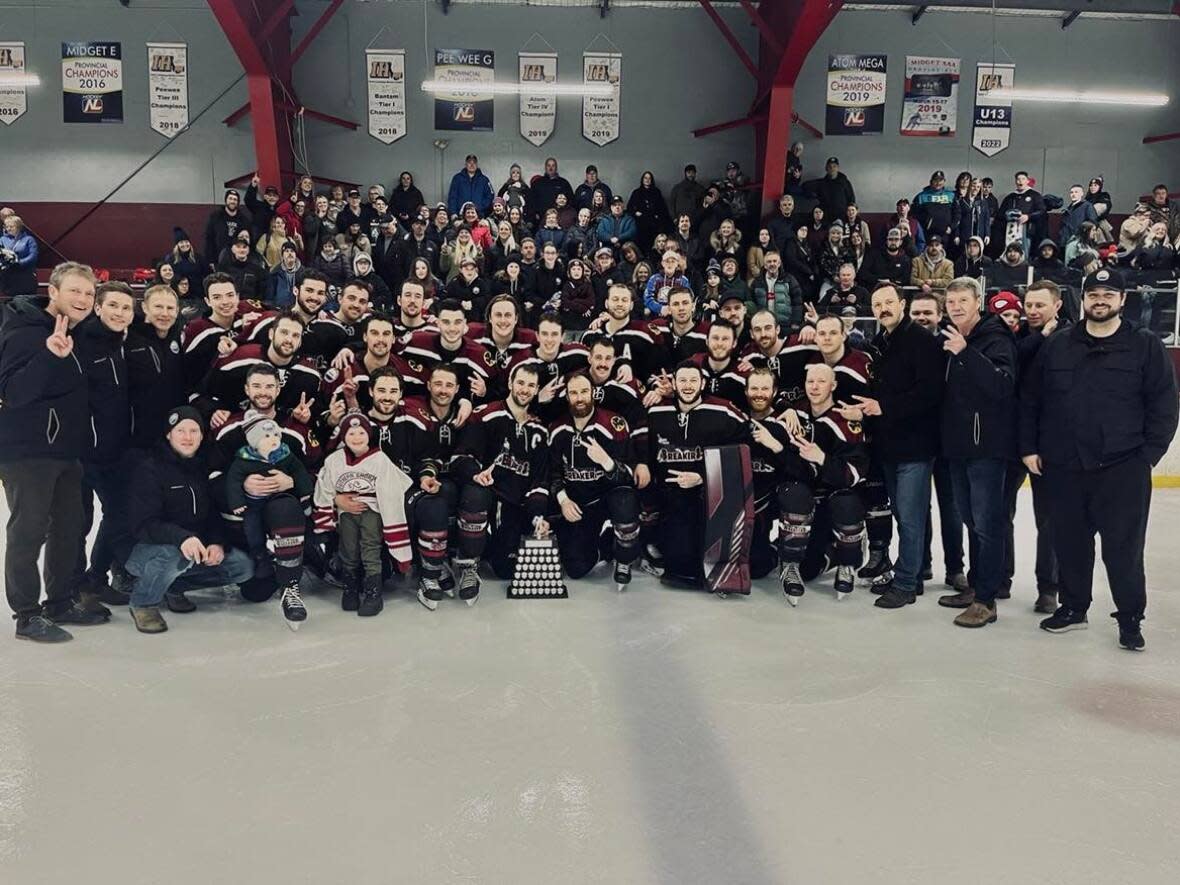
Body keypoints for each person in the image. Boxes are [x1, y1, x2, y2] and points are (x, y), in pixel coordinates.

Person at [1021, 267, 1178, 650]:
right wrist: (1029, 447)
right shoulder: (1058, 345)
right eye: (1094, 294)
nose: (1101, 300)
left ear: (1123, 300)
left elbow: (1164, 405)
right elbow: (1031, 401)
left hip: (1123, 468)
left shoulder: (1145, 346)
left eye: (1110, 294)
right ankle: (1074, 607)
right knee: (1070, 543)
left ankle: (1129, 619)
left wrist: (1148, 457)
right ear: (1084, 299)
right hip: (1064, 465)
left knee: (1123, 549)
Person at [0, 261, 112, 641]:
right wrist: (49, 355)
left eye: (88, 293)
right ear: (54, 292)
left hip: (66, 451)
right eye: (75, 291)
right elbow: (13, 393)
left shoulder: (77, 333)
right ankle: (26, 615)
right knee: (28, 532)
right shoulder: (23, 331)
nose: (83, 299)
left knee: (68, 528)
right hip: (28, 452)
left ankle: (59, 601)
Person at [840, 284, 944, 610]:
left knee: (910, 517)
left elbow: (930, 393)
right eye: (877, 303)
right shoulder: (880, 343)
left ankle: (905, 584)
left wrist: (883, 407)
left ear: (902, 304)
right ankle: (911, 572)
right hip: (889, 445)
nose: (883, 308)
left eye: (889, 302)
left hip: (915, 445)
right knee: (903, 513)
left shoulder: (922, 341)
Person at [123, 406, 255, 634]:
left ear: (202, 436)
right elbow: (144, 524)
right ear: (168, 434)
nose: (187, 437)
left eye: (194, 431)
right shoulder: (149, 468)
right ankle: (143, 603)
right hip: (145, 551)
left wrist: (216, 542)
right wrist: (182, 538)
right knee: (174, 554)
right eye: (180, 430)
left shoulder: (202, 466)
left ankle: (172, 587)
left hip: (190, 549)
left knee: (242, 566)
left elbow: (212, 514)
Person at [936, 277, 1018, 629]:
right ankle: (976, 585)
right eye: (951, 302)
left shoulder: (995, 337)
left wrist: (966, 353)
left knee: (988, 524)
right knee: (971, 519)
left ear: (977, 302)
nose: (955, 307)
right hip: (958, 447)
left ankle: (987, 600)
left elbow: (1002, 385)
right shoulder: (953, 337)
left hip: (987, 448)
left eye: (962, 301)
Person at [763, 363, 869, 604]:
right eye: (810, 381)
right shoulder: (794, 414)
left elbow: (854, 473)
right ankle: (789, 563)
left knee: (848, 503)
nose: (815, 386)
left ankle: (847, 559)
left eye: (821, 381)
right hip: (803, 497)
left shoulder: (846, 420)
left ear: (833, 385)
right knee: (794, 494)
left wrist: (821, 458)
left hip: (832, 498)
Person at [450, 362, 551, 598]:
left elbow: (539, 479)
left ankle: (492, 545)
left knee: (504, 569)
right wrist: (475, 472)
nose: (525, 389)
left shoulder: (539, 430)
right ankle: (468, 565)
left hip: (514, 504)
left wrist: (538, 516)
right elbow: (460, 456)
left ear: (537, 390)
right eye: (521, 383)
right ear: (510, 384)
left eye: (531, 385)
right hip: (487, 494)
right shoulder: (486, 415)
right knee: (475, 494)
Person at [645, 360, 748, 586]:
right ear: (673, 384)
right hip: (667, 495)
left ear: (703, 384)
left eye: (693, 380)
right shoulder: (657, 411)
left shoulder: (724, 411)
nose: (688, 385)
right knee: (677, 555)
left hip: (707, 492)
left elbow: (742, 449)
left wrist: (703, 476)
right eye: (682, 380)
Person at [73, 282, 137, 607]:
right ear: (98, 308)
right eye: (113, 306)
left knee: (119, 514)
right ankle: (73, 589)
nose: (120, 313)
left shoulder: (121, 343)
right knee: (78, 522)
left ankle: (95, 579)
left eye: (126, 308)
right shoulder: (81, 341)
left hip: (115, 451)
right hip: (83, 453)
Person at [313, 411, 414, 617]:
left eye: (361, 432)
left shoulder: (379, 459)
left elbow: (393, 489)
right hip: (346, 512)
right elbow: (324, 487)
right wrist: (335, 500)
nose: (357, 437)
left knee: (370, 548)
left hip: (372, 510)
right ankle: (350, 588)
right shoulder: (334, 460)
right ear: (343, 437)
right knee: (348, 548)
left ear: (369, 434)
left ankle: (373, 593)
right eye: (351, 434)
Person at [548, 372, 641, 587]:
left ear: (593, 393)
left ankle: (624, 558)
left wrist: (606, 461)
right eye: (573, 393)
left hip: (610, 497)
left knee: (625, 501)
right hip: (581, 504)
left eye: (583, 391)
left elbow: (628, 475)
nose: (579, 398)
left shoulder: (613, 424)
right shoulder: (557, 429)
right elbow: (552, 473)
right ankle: (606, 543)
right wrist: (563, 500)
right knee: (576, 568)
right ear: (567, 397)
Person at [907, 291, 968, 594]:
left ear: (939, 314)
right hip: (917, 439)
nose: (921, 318)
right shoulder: (904, 346)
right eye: (916, 313)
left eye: (927, 313)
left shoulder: (951, 344)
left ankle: (955, 568)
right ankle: (922, 563)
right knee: (918, 508)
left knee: (951, 506)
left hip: (948, 440)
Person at [126, 284, 187, 450]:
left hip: (173, 429)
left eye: (170, 308)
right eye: (158, 307)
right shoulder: (128, 337)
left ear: (177, 310)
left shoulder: (182, 336)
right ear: (145, 307)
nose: (165, 313)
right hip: (137, 433)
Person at [203, 189, 252, 272]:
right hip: (218, 260)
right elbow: (209, 239)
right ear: (226, 200)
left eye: (235, 199)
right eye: (230, 198)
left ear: (238, 202)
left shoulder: (244, 220)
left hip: (237, 261)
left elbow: (248, 241)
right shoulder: (215, 217)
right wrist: (210, 260)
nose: (232, 201)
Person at [913, 170, 955, 247]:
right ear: (931, 181)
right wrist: (925, 225)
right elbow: (915, 215)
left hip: (945, 233)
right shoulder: (921, 196)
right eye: (936, 180)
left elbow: (957, 213)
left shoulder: (951, 195)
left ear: (944, 181)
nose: (938, 183)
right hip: (927, 233)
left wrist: (951, 227)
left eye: (940, 180)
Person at [0, 214, 39, 297]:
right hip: (8, 275)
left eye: (11, 226)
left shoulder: (29, 239)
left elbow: (33, 256)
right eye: (7, 226)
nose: (8, 229)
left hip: (25, 275)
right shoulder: (3, 239)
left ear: (18, 227)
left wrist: (19, 262)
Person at [807, 156, 856, 222]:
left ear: (838, 168)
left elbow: (851, 200)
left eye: (834, 166)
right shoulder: (822, 183)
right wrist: (814, 196)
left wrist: (850, 216)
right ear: (826, 168)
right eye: (830, 166)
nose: (832, 168)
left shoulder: (845, 182)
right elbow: (805, 186)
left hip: (842, 218)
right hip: (826, 218)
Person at [446, 154, 494, 218]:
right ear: (466, 164)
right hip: (461, 216)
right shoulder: (457, 178)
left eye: (474, 162)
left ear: (477, 165)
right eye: (469, 162)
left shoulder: (484, 180)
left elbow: (490, 196)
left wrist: (480, 207)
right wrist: (453, 213)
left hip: (479, 216)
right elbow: (452, 197)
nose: (472, 165)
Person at [530, 157, 575, 223]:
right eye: (548, 165)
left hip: (559, 219)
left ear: (556, 168)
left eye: (553, 165)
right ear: (545, 167)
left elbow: (571, 201)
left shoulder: (563, 183)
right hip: (540, 218)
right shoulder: (537, 183)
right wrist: (535, 213)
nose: (551, 168)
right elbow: (531, 201)